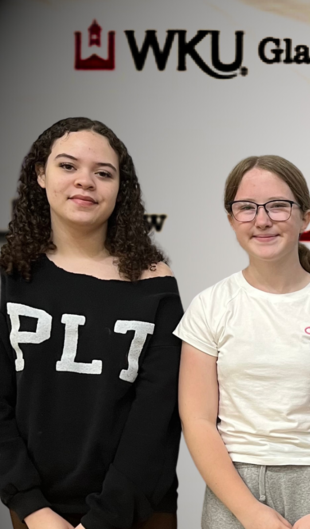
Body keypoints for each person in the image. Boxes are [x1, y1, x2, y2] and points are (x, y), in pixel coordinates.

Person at [175, 155, 310, 529]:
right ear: (231, 218)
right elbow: (198, 420)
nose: (263, 219)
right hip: (235, 490)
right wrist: (249, 511)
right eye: (246, 208)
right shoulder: (210, 306)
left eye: (279, 206)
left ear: (306, 214)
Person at [0, 117, 182, 529]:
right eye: (68, 166)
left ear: (121, 189)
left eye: (103, 173)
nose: (86, 181)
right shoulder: (9, 277)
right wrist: (33, 508)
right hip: (37, 515)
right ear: (40, 175)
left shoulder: (155, 286)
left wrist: (105, 518)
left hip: (138, 512)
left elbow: (158, 417)